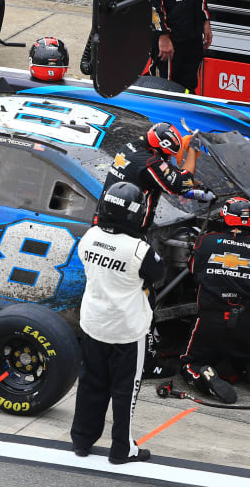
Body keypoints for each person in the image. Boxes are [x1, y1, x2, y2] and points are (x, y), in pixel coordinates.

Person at [70, 181, 165, 465]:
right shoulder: (138, 249)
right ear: (136, 214)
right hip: (127, 331)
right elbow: (158, 273)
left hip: (93, 324)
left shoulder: (89, 237)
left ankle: (82, 441)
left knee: (90, 384)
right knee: (125, 392)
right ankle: (122, 448)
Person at [180, 197, 250, 405]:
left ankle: (204, 373)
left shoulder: (206, 242)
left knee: (190, 362)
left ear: (224, 215)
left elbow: (193, 270)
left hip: (209, 320)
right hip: (244, 321)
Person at [103, 122, 214, 231]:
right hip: (127, 231)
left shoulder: (132, 147)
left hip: (104, 221)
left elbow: (161, 177)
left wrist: (196, 190)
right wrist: (192, 149)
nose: (170, 158)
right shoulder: (149, 162)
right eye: (169, 155)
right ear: (161, 147)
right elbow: (181, 183)